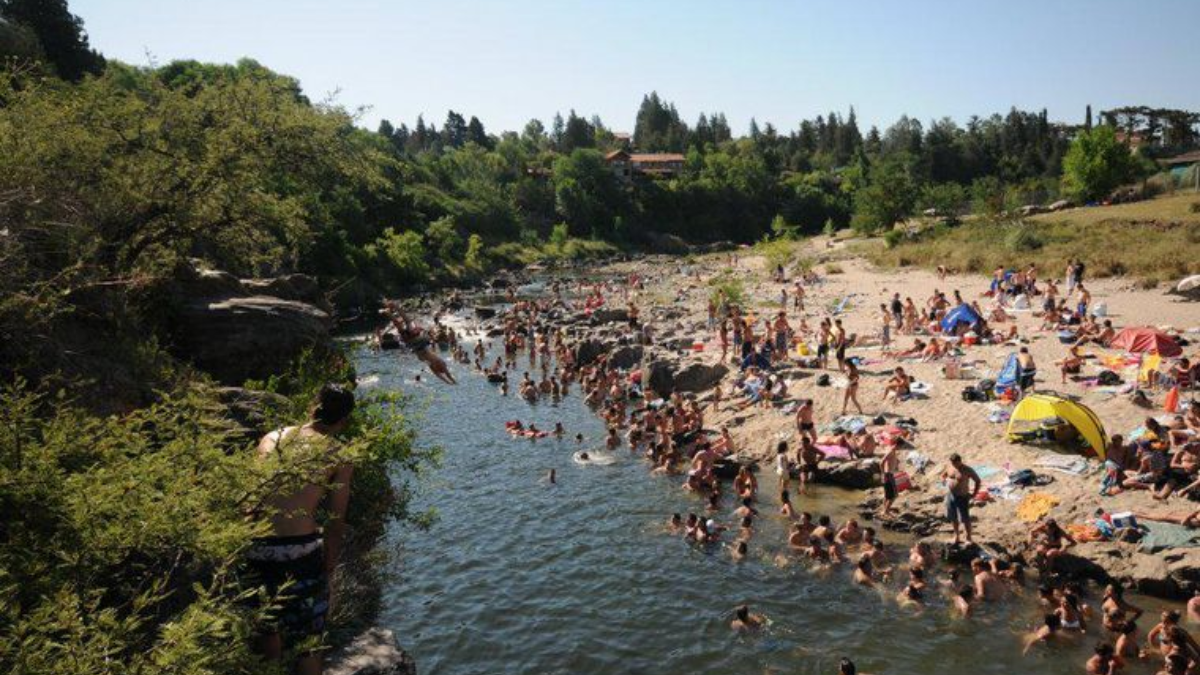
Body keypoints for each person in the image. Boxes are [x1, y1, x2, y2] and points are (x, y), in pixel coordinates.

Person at [248, 384, 357, 675]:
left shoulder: (273, 438)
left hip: (256, 547)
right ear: (345, 420)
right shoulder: (338, 454)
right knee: (307, 644)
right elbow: (335, 521)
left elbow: (249, 501)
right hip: (301, 551)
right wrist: (329, 570)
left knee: (267, 632)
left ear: (313, 405)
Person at [382, 304, 457, 384]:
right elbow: (439, 376)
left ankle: (395, 306)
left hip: (419, 342)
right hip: (412, 344)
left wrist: (453, 381)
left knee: (407, 321)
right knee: (399, 327)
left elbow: (447, 374)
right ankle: (388, 313)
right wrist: (449, 382)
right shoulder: (431, 365)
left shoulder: (438, 361)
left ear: (442, 365)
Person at [941, 453, 981, 545]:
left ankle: (968, 538)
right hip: (950, 495)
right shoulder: (950, 467)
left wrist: (974, 494)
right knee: (953, 516)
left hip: (962, 496)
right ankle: (956, 536)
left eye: (955, 463)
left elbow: (977, 480)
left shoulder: (967, 470)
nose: (953, 465)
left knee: (965, 518)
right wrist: (943, 479)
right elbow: (943, 475)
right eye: (952, 463)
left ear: (959, 461)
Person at [879, 442, 900, 516]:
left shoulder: (891, 450)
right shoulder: (890, 451)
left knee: (887, 495)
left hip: (888, 475)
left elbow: (888, 462)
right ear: (896, 445)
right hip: (888, 475)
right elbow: (881, 462)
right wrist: (882, 474)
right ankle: (886, 511)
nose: (899, 449)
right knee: (894, 495)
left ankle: (884, 509)